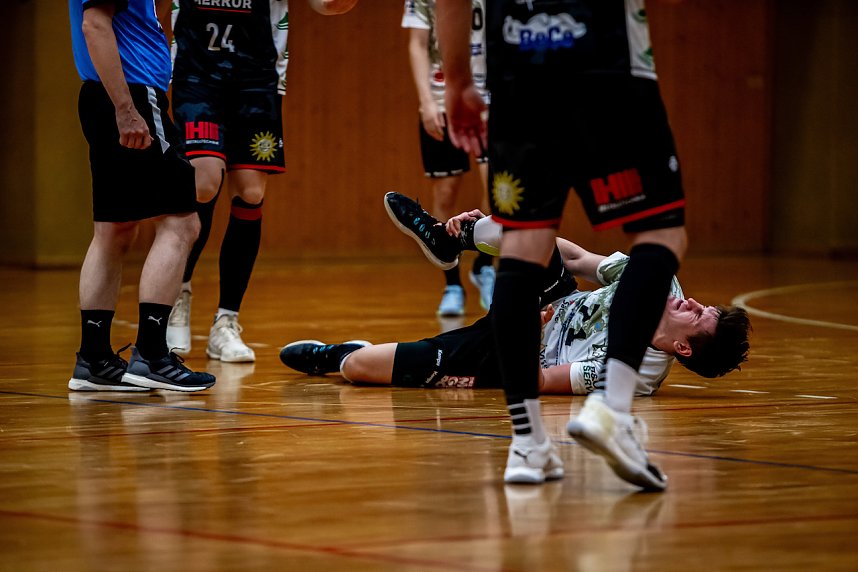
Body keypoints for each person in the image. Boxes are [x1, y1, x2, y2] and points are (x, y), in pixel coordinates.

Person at [436, 0, 692, 489]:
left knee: (523, 246)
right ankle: (613, 409)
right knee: (660, 233)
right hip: (609, 66)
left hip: (518, 76)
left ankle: (528, 444)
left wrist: (459, 79)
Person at [280, 197, 750, 397]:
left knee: (358, 371)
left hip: (513, 349)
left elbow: (539, 382)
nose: (690, 302)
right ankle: (452, 241)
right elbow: (578, 258)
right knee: (534, 229)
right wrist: (493, 236)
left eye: (697, 316)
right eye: (700, 302)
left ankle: (340, 353)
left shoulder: (628, 374)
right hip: (550, 297)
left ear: (682, 348)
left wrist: (528, 325)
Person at [67, 0, 216, 392]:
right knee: (182, 222)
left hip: (110, 94)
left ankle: (95, 359)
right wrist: (126, 110)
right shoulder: (128, 101)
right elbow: (94, 25)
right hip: (131, 95)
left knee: (113, 230)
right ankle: (151, 354)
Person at [164, 0, 290, 362]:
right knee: (204, 180)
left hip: (256, 78)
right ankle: (177, 294)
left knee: (251, 191)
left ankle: (226, 323)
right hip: (196, 73)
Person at [400, 0, 495, 315]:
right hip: (442, 99)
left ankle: (484, 265)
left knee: (498, 189)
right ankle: (452, 283)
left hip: (491, 99)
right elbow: (417, 44)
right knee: (445, 192)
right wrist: (426, 103)